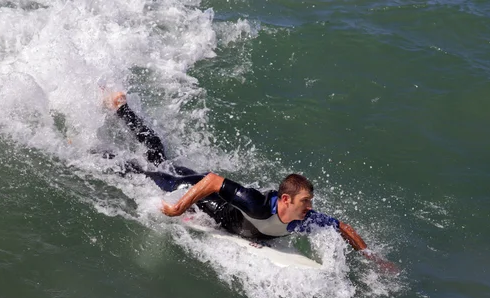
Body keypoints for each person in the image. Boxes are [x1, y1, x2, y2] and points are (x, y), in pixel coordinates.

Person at [105, 92, 398, 273]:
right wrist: (179, 209)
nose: (310, 207)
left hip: (226, 208)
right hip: (205, 200)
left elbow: (341, 227)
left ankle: (121, 109)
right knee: (149, 172)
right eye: (305, 202)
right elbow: (212, 181)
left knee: (158, 157)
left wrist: (372, 258)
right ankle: (98, 150)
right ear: (286, 200)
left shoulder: (300, 220)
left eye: (309, 202)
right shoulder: (256, 205)